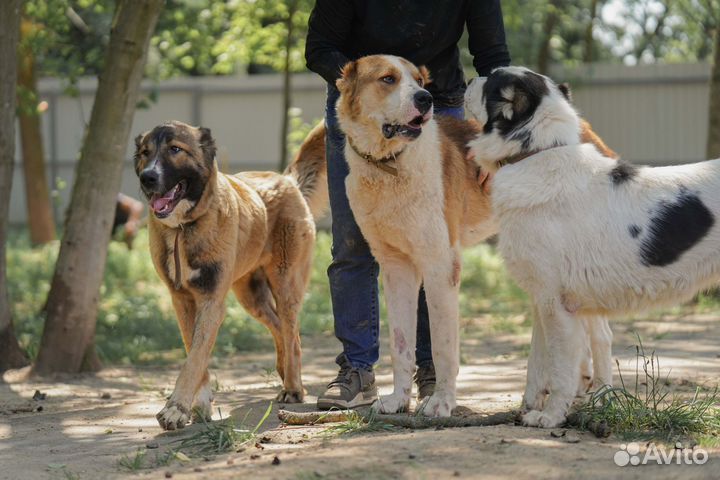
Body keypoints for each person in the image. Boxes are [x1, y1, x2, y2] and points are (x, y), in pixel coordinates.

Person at [305, 0, 511, 409]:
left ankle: (433, 375)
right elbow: (320, 47)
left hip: (442, 102)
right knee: (352, 246)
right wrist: (356, 81)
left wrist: (498, 131)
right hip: (358, 106)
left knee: (433, 256)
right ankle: (358, 370)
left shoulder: (422, 93)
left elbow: (493, 57)